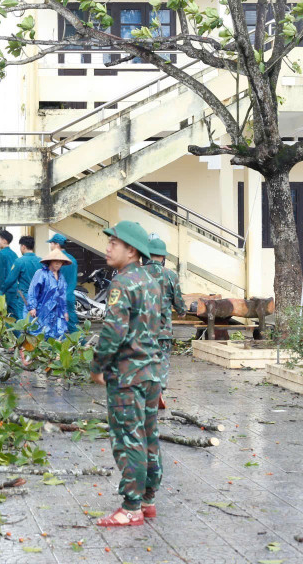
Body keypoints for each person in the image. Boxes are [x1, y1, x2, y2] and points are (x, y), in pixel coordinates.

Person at [89, 220, 163, 527]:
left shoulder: (122, 283)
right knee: (148, 437)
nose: (107, 248)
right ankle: (148, 500)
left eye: (113, 243)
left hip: (126, 375)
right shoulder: (150, 280)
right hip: (151, 373)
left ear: (131, 250)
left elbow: (113, 333)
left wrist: (97, 366)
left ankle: (131, 507)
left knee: (128, 439)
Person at [143, 236, 184, 391]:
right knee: (163, 356)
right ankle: (161, 386)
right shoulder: (171, 275)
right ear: (163, 257)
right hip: (163, 329)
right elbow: (178, 301)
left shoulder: (138, 273)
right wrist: (181, 311)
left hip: (142, 328)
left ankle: (146, 385)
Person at [27, 250, 71, 340]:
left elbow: (62, 296)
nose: (58, 264)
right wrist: (32, 307)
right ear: (50, 261)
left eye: (60, 262)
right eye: (56, 261)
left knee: (58, 335)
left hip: (58, 312)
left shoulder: (61, 277)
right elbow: (33, 290)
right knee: (40, 333)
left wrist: (65, 311)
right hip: (43, 310)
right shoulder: (41, 273)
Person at [0, 235, 41, 320]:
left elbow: (10, 280)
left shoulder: (20, 261)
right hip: (39, 296)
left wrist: (2, 291)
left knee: (24, 323)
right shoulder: (41, 261)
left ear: (23, 247)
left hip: (25, 297)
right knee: (37, 323)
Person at [48, 234, 79, 334]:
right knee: (72, 324)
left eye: (51, 243)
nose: (50, 246)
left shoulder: (55, 260)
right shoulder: (72, 260)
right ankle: (82, 345)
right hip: (69, 296)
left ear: (57, 244)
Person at [0, 230, 20, 317]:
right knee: (14, 316)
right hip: (14, 289)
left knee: (1, 317)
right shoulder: (14, 255)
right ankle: (17, 331)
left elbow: (0, 274)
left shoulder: (0, 255)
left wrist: (1, 290)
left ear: (4, 241)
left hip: (3, 290)